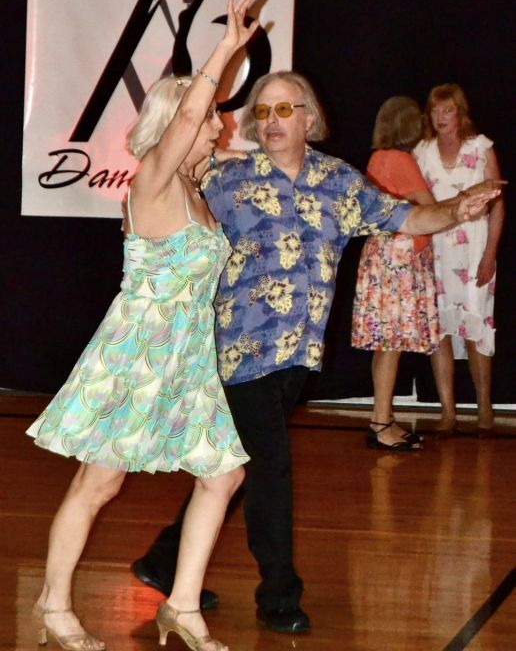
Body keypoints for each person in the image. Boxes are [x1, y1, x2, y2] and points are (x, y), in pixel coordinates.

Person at [132, 70, 502, 634]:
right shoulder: (226, 180)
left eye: (285, 109)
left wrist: (458, 209)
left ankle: (163, 560)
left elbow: (406, 216)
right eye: (263, 111)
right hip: (238, 351)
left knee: (242, 466)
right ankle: (279, 595)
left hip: (298, 354)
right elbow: (167, 194)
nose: (272, 121)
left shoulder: (338, 181)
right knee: (271, 469)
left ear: (309, 118)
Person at [26, 0, 259, 651]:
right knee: (98, 481)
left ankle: (182, 605)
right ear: (179, 122)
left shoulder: (196, 191)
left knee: (224, 475)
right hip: (137, 350)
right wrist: (226, 47)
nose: (218, 127)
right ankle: (51, 604)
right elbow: (186, 114)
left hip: (186, 356)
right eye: (212, 118)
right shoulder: (152, 178)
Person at [414, 83, 505, 436]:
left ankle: (484, 410)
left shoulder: (480, 148)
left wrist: (490, 254)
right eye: (435, 110)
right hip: (435, 250)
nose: (441, 117)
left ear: (460, 112)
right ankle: (448, 413)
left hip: (474, 250)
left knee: (476, 327)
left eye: (447, 110)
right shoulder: (422, 151)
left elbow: (498, 206)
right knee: (439, 331)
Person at [351, 96, 440, 450]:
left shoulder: (379, 157)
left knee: (386, 345)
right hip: (398, 259)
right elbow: (431, 211)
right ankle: (380, 423)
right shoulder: (400, 160)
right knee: (391, 344)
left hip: (383, 255)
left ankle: (383, 417)